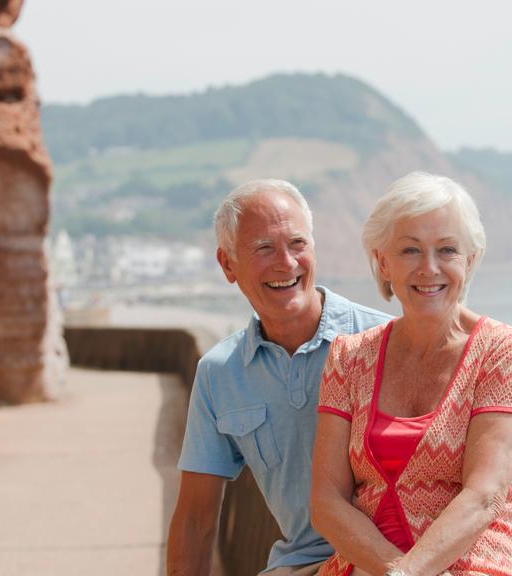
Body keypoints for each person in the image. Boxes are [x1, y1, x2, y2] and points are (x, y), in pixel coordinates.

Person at [310, 172, 512, 576]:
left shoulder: (504, 352)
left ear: (470, 261)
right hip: (365, 566)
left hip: (478, 564)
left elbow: (484, 497)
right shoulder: (349, 358)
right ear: (383, 262)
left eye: (447, 250)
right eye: (410, 250)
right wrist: (391, 571)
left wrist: (405, 574)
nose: (429, 268)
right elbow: (326, 501)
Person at [167, 179, 390, 576]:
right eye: (264, 248)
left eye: (297, 244)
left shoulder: (385, 341)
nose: (285, 262)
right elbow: (194, 522)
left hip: (393, 559)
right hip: (302, 567)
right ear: (228, 264)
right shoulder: (220, 374)